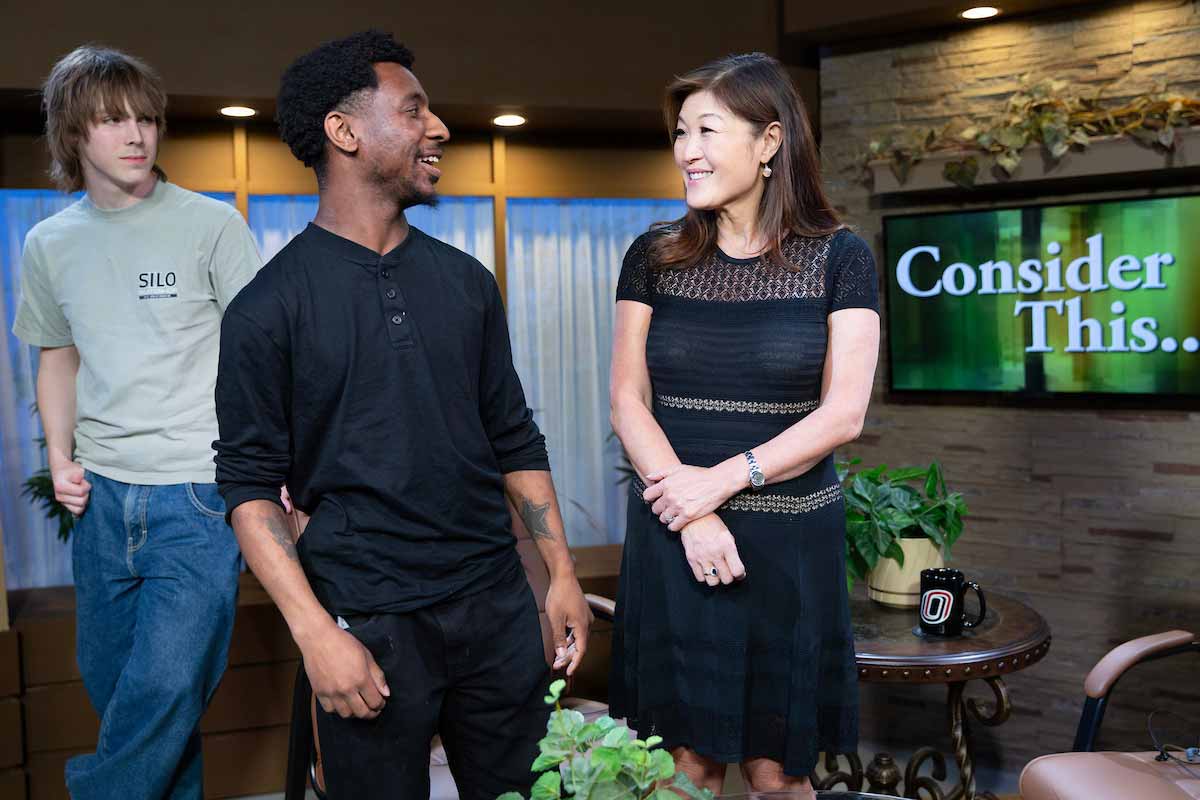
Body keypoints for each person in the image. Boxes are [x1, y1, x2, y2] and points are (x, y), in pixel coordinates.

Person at [212, 30, 592, 800]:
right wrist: (317, 634)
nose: (439, 127)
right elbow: (249, 490)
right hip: (369, 624)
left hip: (494, 607)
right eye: (413, 109)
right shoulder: (267, 308)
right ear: (344, 132)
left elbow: (513, 434)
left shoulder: (466, 284)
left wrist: (559, 575)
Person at [608, 52, 880, 797]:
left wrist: (722, 482)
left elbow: (843, 413)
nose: (686, 151)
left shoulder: (839, 259)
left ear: (769, 142)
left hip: (788, 548)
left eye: (707, 130)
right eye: (680, 133)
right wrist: (690, 514)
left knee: (778, 775)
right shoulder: (654, 258)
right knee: (682, 769)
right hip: (675, 538)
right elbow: (628, 399)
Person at [11, 45, 262, 799]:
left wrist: (269, 471)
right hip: (100, 502)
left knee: (160, 695)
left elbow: (263, 356)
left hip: (196, 494)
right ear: (73, 134)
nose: (136, 135)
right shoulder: (49, 244)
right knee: (134, 706)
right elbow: (56, 358)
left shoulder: (211, 225)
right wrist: (60, 459)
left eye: (147, 119)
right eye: (113, 120)